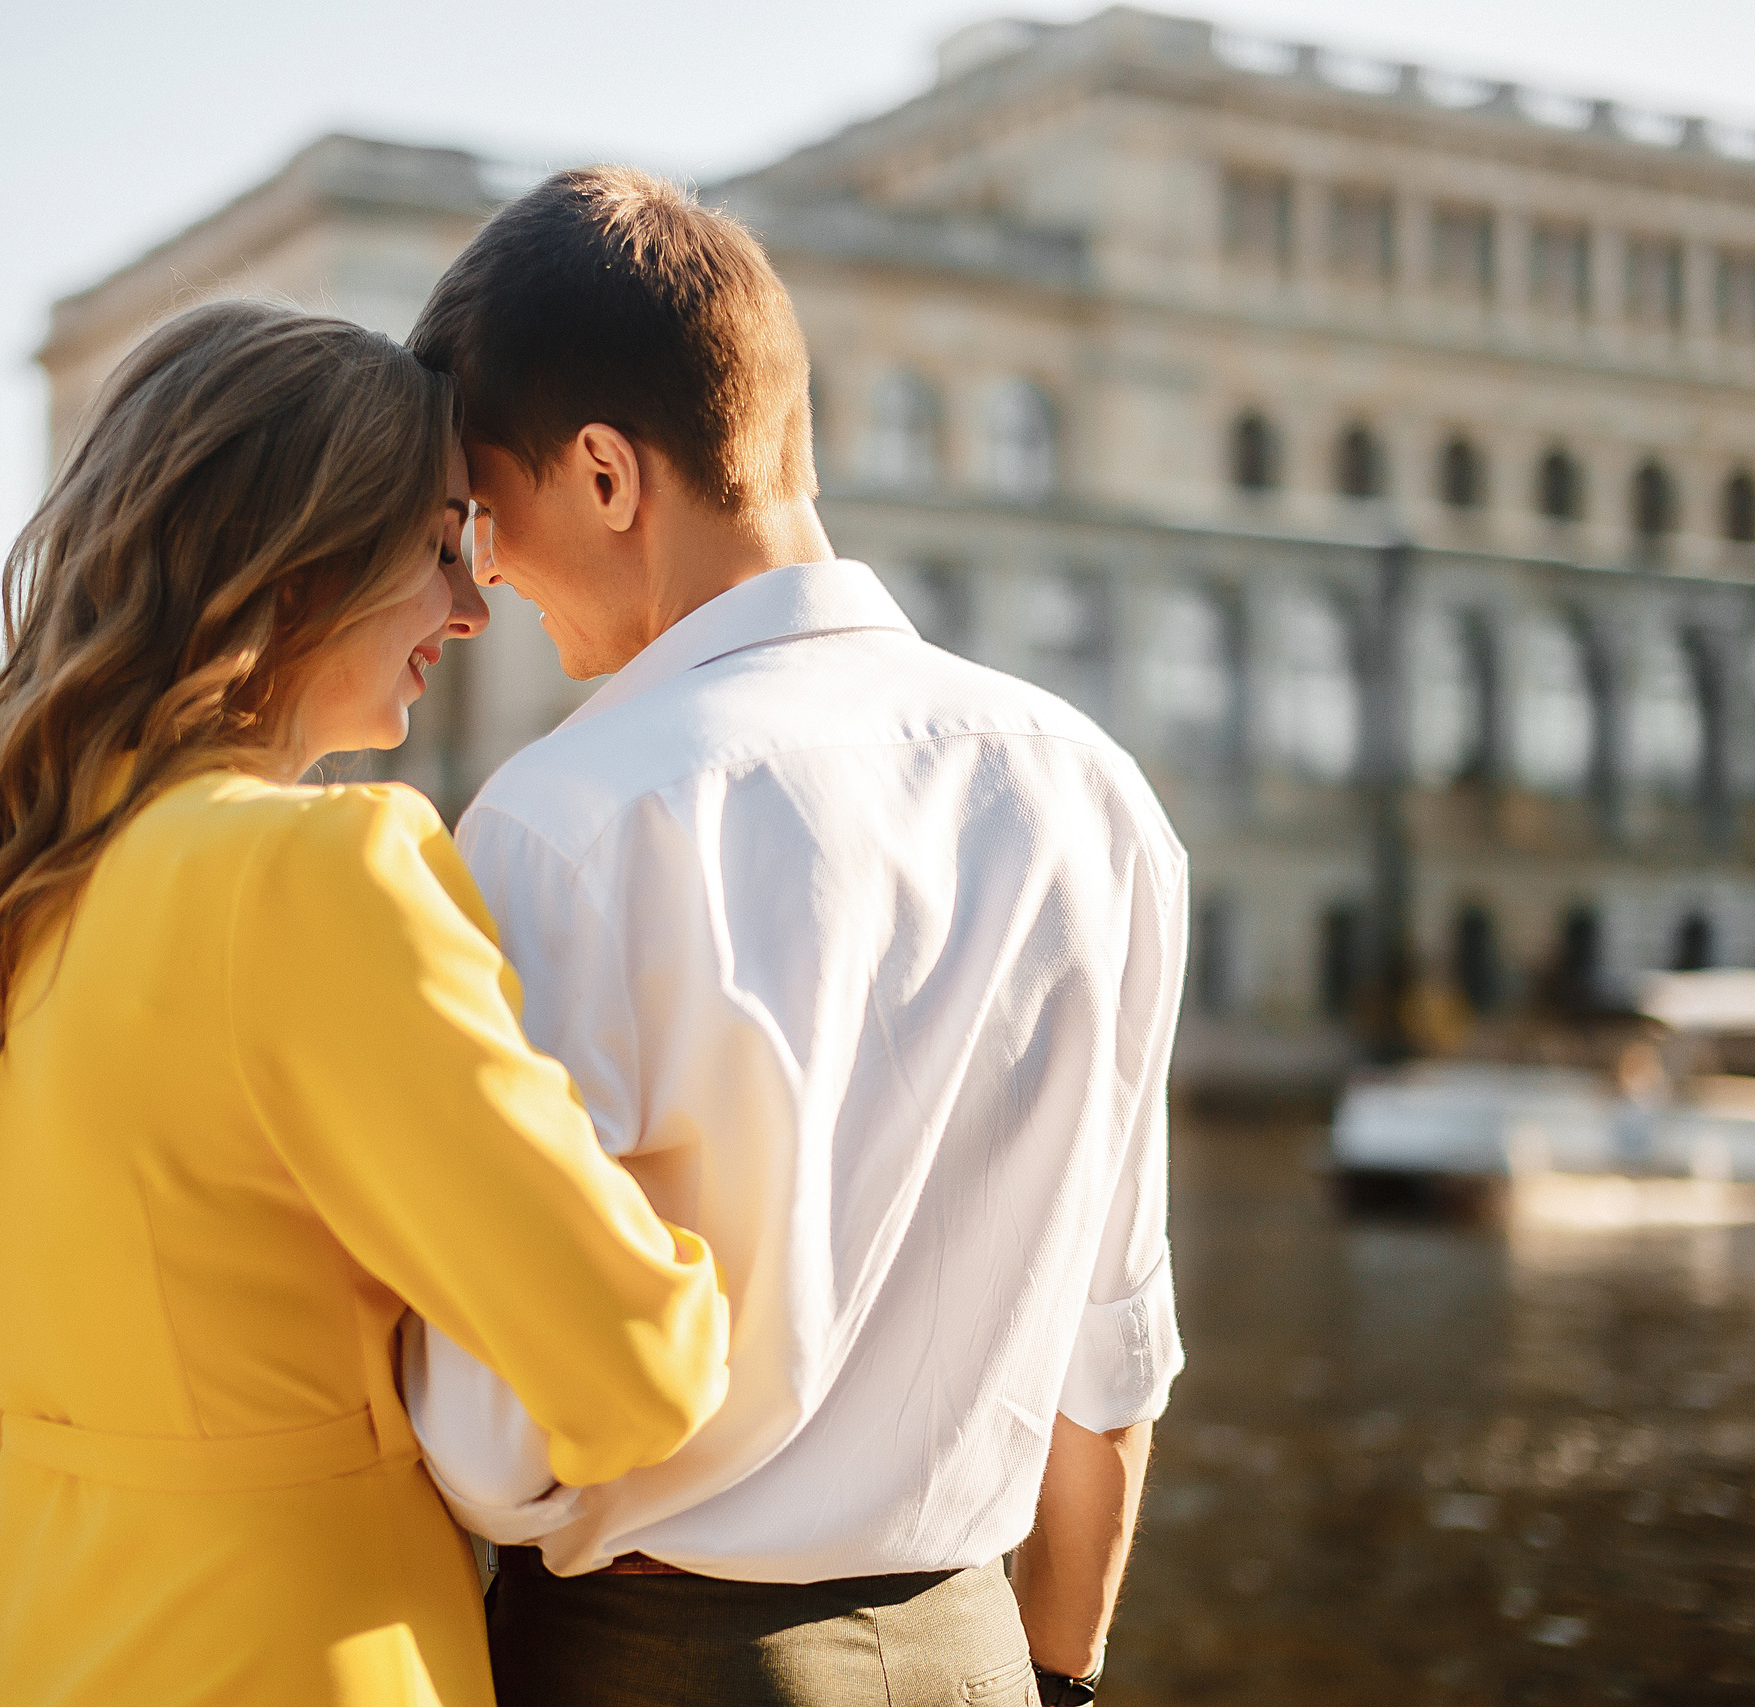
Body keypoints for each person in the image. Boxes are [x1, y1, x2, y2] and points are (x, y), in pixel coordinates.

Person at [0, 299, 730, 1707]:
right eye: (439, 545)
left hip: (11, 1645)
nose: (474, 606)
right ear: (296, 565)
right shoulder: (323, 874)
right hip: (292, 1657)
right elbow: (630, 1373)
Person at [406, 168, 1187, 1707]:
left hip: (651, 1661)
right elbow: (1114, 1352)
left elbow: (496, 1448)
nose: (482, 582)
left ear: (610, 478)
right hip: (982, 1652)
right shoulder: (1094, 791)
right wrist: (1059, 1681)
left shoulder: (563, 822)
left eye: (485, 517)